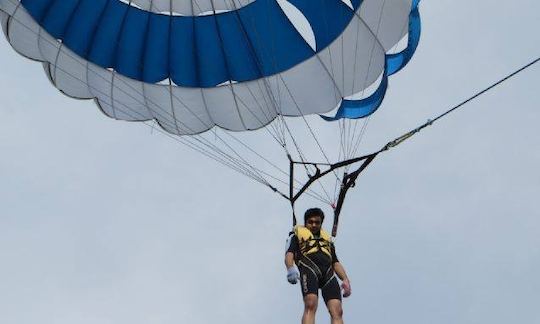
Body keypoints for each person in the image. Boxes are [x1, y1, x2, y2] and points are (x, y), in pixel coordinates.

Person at [285, 208, 352, 324]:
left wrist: (345, 279)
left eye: (317, 222)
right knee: (310, 303)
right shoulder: (297, 236)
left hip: (328, 274)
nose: (314, 225)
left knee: (338, 310)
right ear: (305, 223)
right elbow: (289, 254)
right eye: (310, 222)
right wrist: (290, 268)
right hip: (309, 269)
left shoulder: (327, 240)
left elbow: (335, 262)